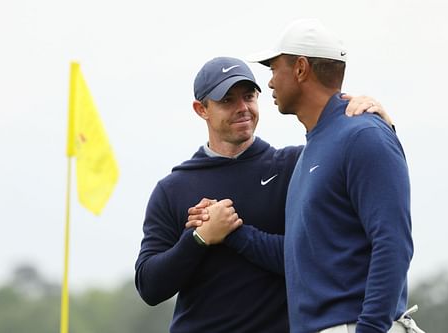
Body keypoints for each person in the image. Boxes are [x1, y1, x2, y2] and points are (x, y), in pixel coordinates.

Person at [188, 19, 425, 333]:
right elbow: (300, 255)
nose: (270, 83)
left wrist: (369, 329)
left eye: (274, 69)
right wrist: (232, 231)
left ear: (300, 69)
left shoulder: (363, 134)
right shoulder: (318, 145)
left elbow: (393, 242)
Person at [135, 56, 392, 333]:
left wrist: (383, 125)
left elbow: (315, 257)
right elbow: (150, 287)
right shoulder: (173, 188)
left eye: (248, 97)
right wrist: (199, 237)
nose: (242, 108)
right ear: (201, 109)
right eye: (227, 100)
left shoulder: (296, 166)